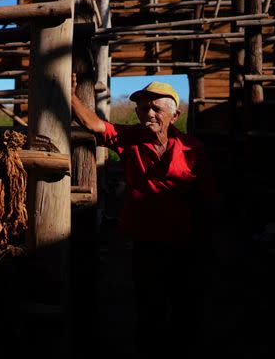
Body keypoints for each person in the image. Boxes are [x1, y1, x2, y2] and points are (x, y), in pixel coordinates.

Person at [71, 77, 216, 359]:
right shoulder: (131, 139)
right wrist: (70, 95)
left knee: (187, 310)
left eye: (156, 108)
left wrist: (206, 247)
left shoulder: (193, 149)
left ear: (175, 114)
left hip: (186, 245)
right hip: (147, 244)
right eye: (142, 108)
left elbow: (207, 200)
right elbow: (94, 125)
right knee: (150, 310)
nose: (148, 113)